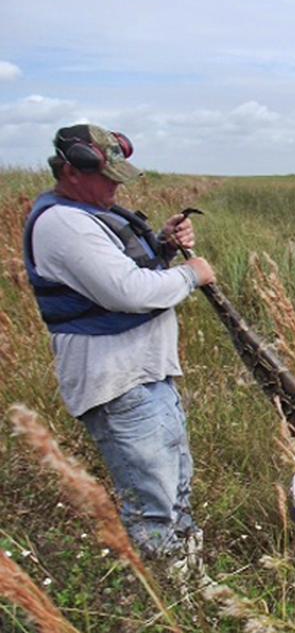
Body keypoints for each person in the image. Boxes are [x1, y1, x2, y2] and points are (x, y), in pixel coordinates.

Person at [22, 124, 216, 568]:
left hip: (148, 374)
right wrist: (191, 275)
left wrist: (164, 247)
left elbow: (130, 272)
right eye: (107, 177)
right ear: (71, 170)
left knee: (176, 484)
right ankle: (169, 595)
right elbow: (126, 292)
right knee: (153, 501)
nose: (115, 186)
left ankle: (191, 577)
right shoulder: (62, 224)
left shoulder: (88, 213)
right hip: (117, 384)